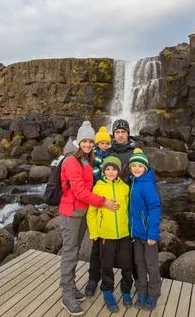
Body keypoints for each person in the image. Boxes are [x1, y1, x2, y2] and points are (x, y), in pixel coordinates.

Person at [59, 121, 120, 316]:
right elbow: (79, 191)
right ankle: (67, 294)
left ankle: (71, 288)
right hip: (71, 214)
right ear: (78, 141)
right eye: (84, 141)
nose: (87, 144)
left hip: (82, 212)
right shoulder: (71, 161)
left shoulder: (87, 159)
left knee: (74, 251)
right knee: (69, 253)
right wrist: (102, 202)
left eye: (90, 141)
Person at [85, 118, 139, 297]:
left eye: (124, 132)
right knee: (97, 246)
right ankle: (93, 278)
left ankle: (135, 282)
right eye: (117, 132)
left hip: (125, 199)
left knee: (128, 248)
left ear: (128, 133)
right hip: (104, 199)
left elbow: (144, 172)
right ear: (113, 135)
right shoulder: (106, 150)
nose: (121, 135)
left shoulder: (135, 151)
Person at [86, 156, 133, 312]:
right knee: (106, 265)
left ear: (119, 171)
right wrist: (94, 232)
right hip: (106, 234)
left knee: (127, 264)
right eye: (107, 169)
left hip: (125, 234)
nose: (111, 172)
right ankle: (107, 291)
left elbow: (129, 210)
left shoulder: (125, 187)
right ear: (103, 171)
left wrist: (132, 229)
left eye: (114, 169)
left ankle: (126, 291)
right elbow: (91, 212)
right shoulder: (98, 187)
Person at [128, 149, 161, 310]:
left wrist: (153, 234)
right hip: (136, 235)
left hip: (148, 235)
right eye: (133, 165)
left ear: (145, 168)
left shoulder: (147, 185)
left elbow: (155, 209)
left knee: (152, 265)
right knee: (139, 264)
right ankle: (142, 291)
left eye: (140, 166)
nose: (136, 168)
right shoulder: (133, 182)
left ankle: (153, 294)